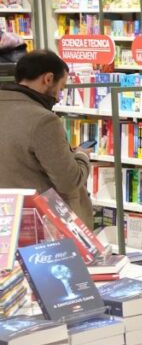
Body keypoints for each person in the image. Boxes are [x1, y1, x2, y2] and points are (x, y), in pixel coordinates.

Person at [0, 49, 92, 225]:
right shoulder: (44, 120)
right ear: (48, 79)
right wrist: (81, 157)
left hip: (6, 219)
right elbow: (69, 182)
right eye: (61, 87)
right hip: (42, 224)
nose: (58, 96)